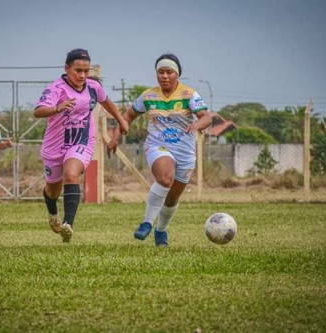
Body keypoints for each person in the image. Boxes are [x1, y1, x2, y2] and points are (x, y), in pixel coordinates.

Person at [108, 53, 212, 247]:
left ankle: (161, 231)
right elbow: (128, 116)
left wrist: (198, 125)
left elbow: (206, 116)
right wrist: (115, 138)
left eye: (169, 72)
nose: (164, 76)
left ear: (177, 74)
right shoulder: (148, 96)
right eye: (160, 72)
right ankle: (147, 222)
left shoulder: (189, 94)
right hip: (157, 145)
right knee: (165, 178)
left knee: (172, 198)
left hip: (185, 151)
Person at [34, 48, 129, 243]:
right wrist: (57, 108)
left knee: (71, 174)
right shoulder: (56, 88)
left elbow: (106, 101)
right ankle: (53, 214)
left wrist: (121, 121)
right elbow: (38, 111)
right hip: (54, 146)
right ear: (67, 68)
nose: (82, 75)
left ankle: (68, 225)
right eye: (78, 70)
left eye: (86, 71)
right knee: (53, 190)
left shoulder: (93, 86)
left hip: (81, 141)